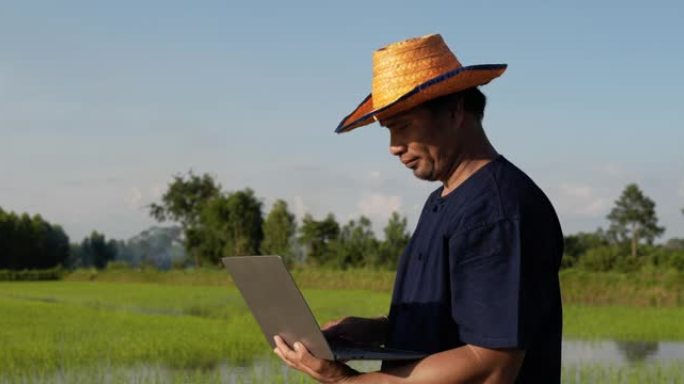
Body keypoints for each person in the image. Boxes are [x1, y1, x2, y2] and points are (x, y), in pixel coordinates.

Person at [273, 34, 564, 384]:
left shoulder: (495, 212)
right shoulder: (445, 200)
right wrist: (374, 330)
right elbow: (453, 323)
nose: (394, 147)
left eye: (404, 127)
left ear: (455, 111)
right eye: (388, 131)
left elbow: (489, 364)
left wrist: (344, 379)